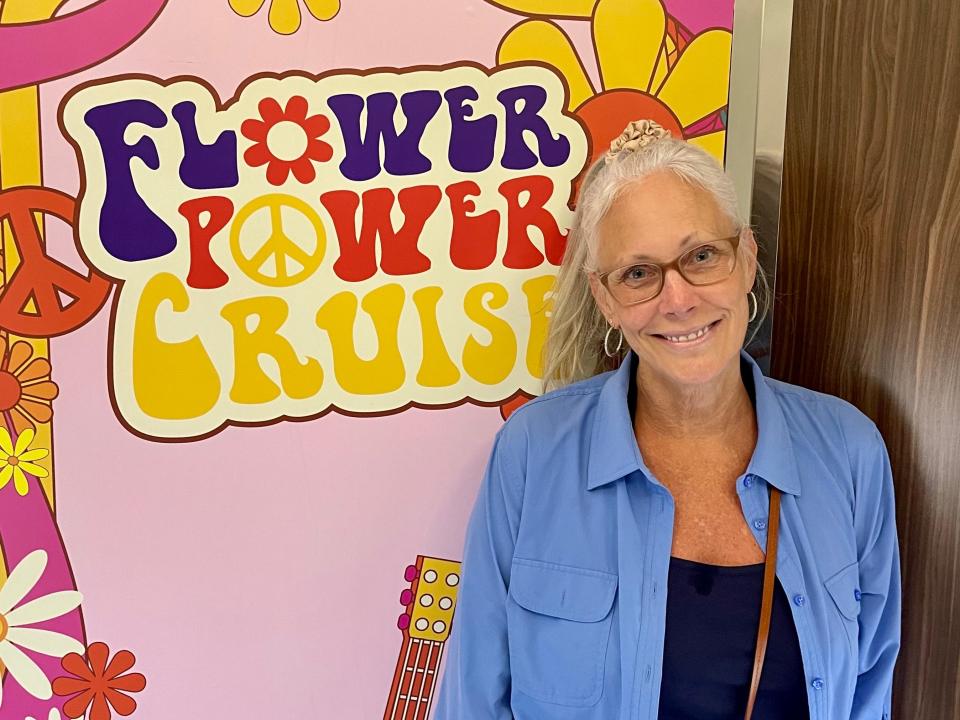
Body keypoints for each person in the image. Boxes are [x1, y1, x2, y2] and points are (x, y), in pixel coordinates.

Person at [433, 120, 901, 719]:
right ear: (604, 298)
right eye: (638, 273)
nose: (677, 299)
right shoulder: (532, 453)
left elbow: (870, 692)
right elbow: (474, 699)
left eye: (702, 255)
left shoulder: (850, 452)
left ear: (747, 257)